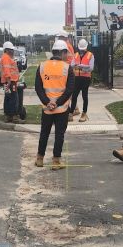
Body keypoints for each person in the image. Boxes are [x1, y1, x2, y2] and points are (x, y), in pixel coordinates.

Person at [35, 40, 75, 170]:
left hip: (47, 109)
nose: (67, 56)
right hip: (61, 109)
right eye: (66, 53)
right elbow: (69, 90)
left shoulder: (42, 66)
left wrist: (48, 102)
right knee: (59, 135)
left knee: (44, 133)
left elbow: (38, 88)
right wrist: (57, 103)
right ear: (62, 52)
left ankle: (40, 159)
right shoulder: (67, 68)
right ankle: (56, 162)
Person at [69, 38, 94, 122]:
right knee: (74, 96)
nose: (82, 50)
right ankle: (71, 113)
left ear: (86, 47)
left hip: (86, 79)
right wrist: (77, 65)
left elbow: (91, 68)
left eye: (83, 49)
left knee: (84, 96)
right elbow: (71, 65)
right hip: (76, 78)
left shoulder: (90, 55)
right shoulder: (75, 55)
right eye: (81, 49)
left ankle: (84, 113)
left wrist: (81, 66)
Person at [0, 41, 20, 122]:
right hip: (10, 82)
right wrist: (9, 81)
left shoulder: (5, 57)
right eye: (11, 50)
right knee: (14, 98)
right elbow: (7, 70)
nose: (13, 51)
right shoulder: (6, 58)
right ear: (7, 50)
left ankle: (8, 116)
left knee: (8, 97)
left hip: (8, 82)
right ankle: (13, 116)